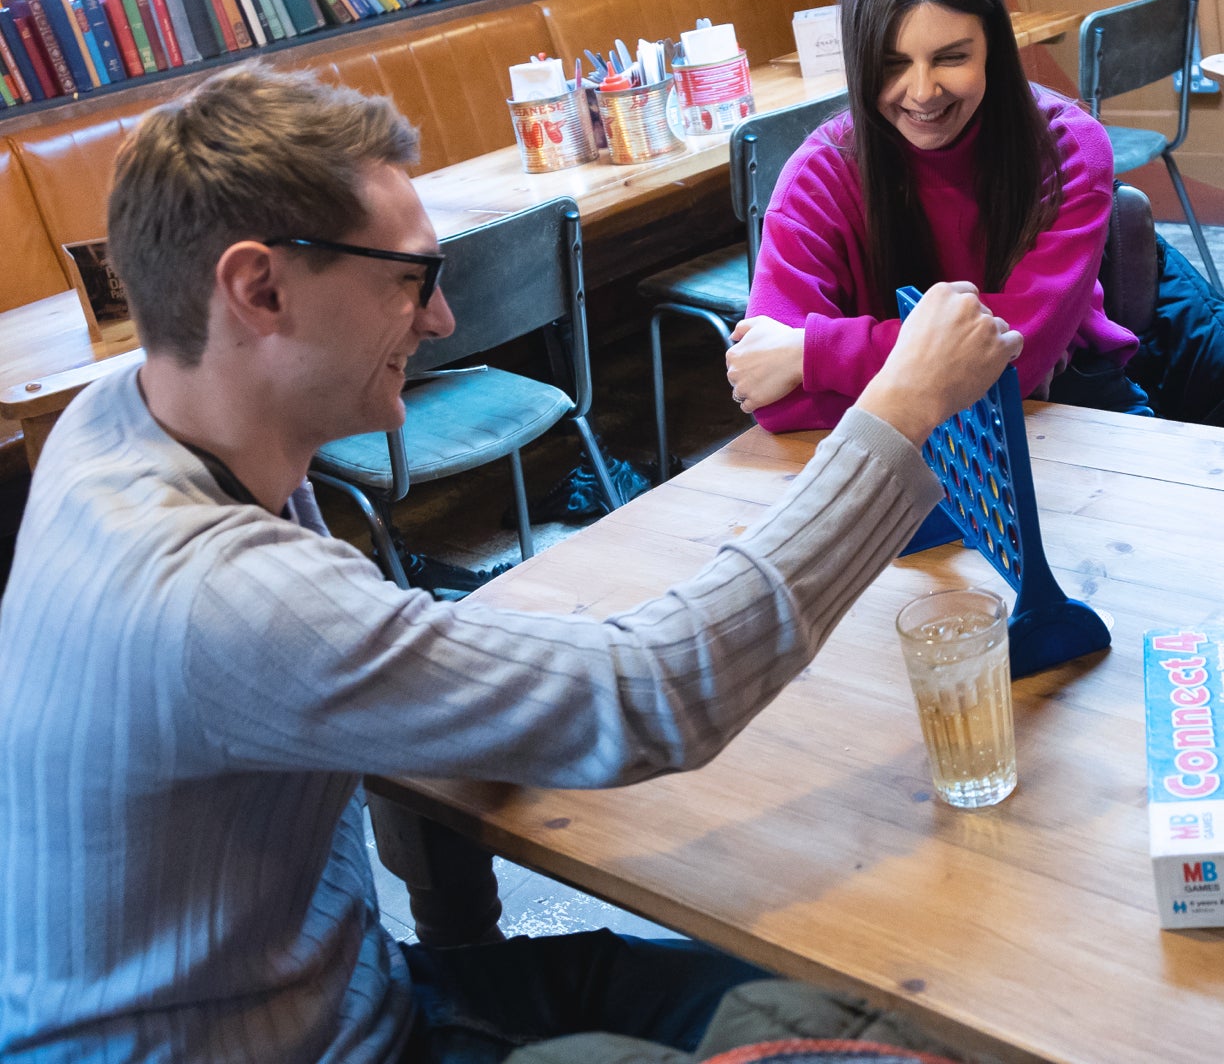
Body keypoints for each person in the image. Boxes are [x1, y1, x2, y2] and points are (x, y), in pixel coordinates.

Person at [0, 63, 1021, 1064]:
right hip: (325, 1034)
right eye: (410, 278)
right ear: (259, 287)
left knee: (854, 1013)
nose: (440, 318)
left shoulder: (117, 421)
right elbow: (651, 694)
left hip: (348, 985)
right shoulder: (207, 593)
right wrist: (898, 409)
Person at [727, 0, 1148, 431]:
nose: (923, 91)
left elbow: (1019, 364)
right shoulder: (817, 178)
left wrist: (813, 355)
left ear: (993, 47)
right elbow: (776, 403)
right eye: (891, 63)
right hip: (893, 447)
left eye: (951, 57)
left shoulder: (1067, 149)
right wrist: (969, 375)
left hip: (1065, 409)